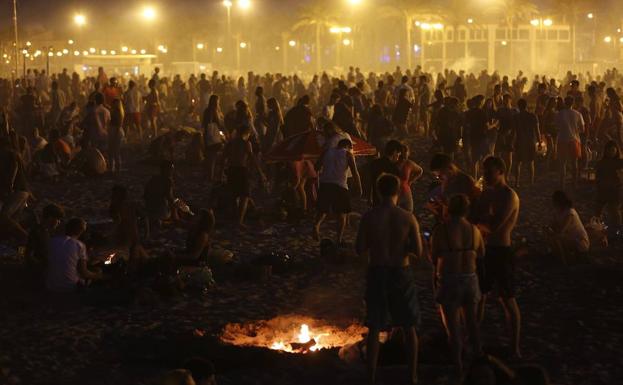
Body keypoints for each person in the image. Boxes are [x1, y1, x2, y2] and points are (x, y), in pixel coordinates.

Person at [356, 174, 422, 385]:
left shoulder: (369, 217)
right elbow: (418, 251)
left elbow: (359, 248)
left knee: (375, 327)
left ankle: (370, 377)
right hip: (400, 271)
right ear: (399, 191)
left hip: (377, 270)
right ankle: (412, 376)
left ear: (377, 191)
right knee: (408, 325)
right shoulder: (408, 217)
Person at [431, 194, 484, 375]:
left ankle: (458, 367)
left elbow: (433, 256)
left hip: (449, 280)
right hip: (469, 278)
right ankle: (479, 363)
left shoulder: (441, 230)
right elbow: (481, 253)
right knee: (472, 324)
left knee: (453, 329)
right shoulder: (473, 230)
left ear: (449, 208)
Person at [477, 156, 522, 359]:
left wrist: (480, 220)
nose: (485, 175)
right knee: (479, 297)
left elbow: (495, 226)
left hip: (502, 251)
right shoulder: (487, 193)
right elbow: (475, 216)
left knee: (507, 300)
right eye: (484, 171)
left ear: (501, 171)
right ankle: (475, 342)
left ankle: (514, 347)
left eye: (489, 172)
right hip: (486, 250)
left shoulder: (509, 196)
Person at [313, 138, 362, 243]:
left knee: (322, 210)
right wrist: (359, 187)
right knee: (341, 214)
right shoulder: (348, 154)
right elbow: (355, 172)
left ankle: (316, 226)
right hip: (340, 186)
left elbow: (316, 166)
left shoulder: (327, 152)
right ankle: (338, 239)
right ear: (348, 146)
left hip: (325, 183)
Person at [222, 126, 267, 228]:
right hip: (241, 170)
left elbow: (223, 158)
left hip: (231, 170)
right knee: (245, 196)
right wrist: (261, 173)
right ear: (247, 133)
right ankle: (239, 221)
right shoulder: (246, 143)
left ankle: (234, 217)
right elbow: (252, 158)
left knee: (233, 194)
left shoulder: (230, 143)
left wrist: (220, 174)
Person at [46, 218, 102, 292]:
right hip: (71, 286)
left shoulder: (52, 241)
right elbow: (84, 272)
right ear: (80, 231)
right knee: (97, 271)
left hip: (50, 285)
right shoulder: (79, 245)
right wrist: (99, 276)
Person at [547, 190, 590, 264]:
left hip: (579, 242)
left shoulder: (570, 213)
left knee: (557, 239)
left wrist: (553, 232)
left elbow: (562, 230)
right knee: (551, 237)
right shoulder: (558, 211)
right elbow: (553, 225)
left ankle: (565, 260)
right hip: (569, 237)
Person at [25, 203, 65, 280]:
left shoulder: (46, 232)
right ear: (50, 218)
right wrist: (45, 268)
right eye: (58, 219)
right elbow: (29, 256)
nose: (59, 222)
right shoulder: (37, 232)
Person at [555, 96, 585, 188]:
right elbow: (583, 129)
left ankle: (562, 184)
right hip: (574, 140)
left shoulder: (559, 114)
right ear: (573, 103)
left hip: (562, 140)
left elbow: (556, 127)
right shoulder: (578, 114)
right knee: (574, 163)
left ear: (565, 103)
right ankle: (574, 183)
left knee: (562, 164)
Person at [596, 141, 623, 237]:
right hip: (603, 190)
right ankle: (600, 229)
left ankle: (617, 230)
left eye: (612, 150)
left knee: (615, 211)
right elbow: (598, 177)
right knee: (598, 211)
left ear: (616, 150)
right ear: (605, 151)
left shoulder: (619, 162)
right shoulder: (601, 163)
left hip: (615, 191)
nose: (610, 152)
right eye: (609, 150)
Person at [513, 98, 541, 187]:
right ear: (526, 106)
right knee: (530, 162)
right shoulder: (533, 116)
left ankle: (516, 182)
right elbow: (537, 130)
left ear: (518, 106)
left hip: (519, 141)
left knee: (517, 163)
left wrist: (512, 142)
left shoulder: (516, 117)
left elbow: (514, 131)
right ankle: (530, 182)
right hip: (530, 141)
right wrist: (539, 141)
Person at [144, 161, 177, 232]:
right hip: (161, 211)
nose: (172, 172)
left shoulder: (153, 178)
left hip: (148, 208)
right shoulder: (168, 181)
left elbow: (145, 194)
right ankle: (172, 220)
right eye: (171, 169)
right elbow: (169, 197)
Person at [367, 140, 402, 206]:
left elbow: (370, 181)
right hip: (390, 203)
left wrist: (369, 198)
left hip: (376, 200)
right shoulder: (394, 169)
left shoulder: (374, 163)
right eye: (398, 154)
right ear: (394, 152)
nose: (398, 158)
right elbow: (397, 188)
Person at [202, 95, 226, 182]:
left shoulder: (206, 111)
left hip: (207, 135)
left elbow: (204, 124)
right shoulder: (214, 111)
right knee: (213, 157)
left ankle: (209, 176)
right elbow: (219, 124)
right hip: (214, 137)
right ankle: (211, 177)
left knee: (209, 157)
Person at [397, 144, 423, 213]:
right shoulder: (393, 163)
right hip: (394, 193)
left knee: (408, 213)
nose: (404, 157)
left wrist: (411, 181)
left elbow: (420, 171)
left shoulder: (409, 163)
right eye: (402, 154)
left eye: (406, 153)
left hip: (406, 192)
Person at [108, 98, 125, 174]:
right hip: (115, 131)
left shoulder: (117, 112)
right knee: (114, 151)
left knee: (114, 151)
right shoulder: (119, 112)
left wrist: (116, 134)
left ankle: (115, 168)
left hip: (115, 131)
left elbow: (119, 125)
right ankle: (114, 168)